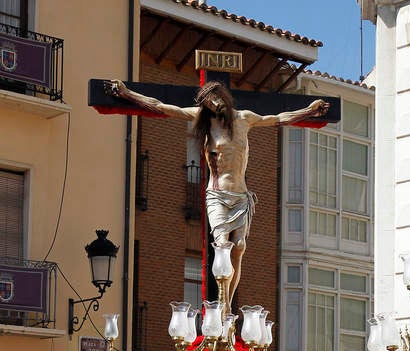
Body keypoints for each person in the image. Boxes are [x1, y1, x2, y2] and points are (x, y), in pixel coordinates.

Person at [104, 79, 330, 311]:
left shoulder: (245, 118)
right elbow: (160, 106)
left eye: (214, 97)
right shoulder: (203, 119)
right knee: (223, 245)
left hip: (241, 196)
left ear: (223, 95)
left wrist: (309, 110)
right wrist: (127, 93)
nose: (212, 103)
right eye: (207, 102)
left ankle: (227, 305)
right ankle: (222, 301)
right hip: (217, 195)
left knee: (239, 246)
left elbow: (279, 118)